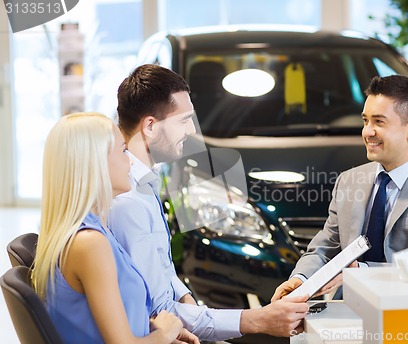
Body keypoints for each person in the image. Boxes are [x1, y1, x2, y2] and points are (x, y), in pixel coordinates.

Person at [108, 64, 309, 342]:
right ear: (150, 126)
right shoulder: (128, 201)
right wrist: (259, 319)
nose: (191, 130)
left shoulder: (145, 181)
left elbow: (163, 273)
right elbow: (159, 312)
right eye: (183, 120)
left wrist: (186, 298)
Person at [272, 74, 408, 301]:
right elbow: (326, 244)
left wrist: (362, 273)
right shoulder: (348, 181)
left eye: (379, 122)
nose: (367, 132)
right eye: (365, 121)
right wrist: (301, 279)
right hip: (347, 309)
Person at [32, 113, 199, 344]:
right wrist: (164, 334)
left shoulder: (94, 229)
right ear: (95, 163)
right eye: (123, 151)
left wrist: (153, 329)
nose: (130, 161)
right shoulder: (89, 243)